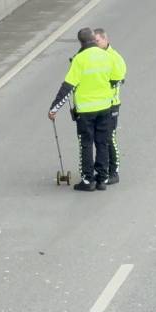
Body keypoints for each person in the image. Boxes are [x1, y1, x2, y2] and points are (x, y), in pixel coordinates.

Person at [47, 27, 115, 191]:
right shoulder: (106, 56)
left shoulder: (79, 59)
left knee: (86, 144)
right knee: (102, 143)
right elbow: (115, 79)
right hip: (105, 107)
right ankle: (102, 179)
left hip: (85, 111)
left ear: (80, 42)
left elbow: (68, 87)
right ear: (93, 38)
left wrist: (54, 108)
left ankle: (88, 180)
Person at [93, 28, 126, 184]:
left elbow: (119, 79)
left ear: (105, 40)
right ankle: (103, 170)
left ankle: (114, 171)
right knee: (100, 138)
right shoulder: (95, 57)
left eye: (97, 41)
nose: (94, 44)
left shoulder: (114, 58)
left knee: (110, 137)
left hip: (112, 104)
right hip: (100, 104)